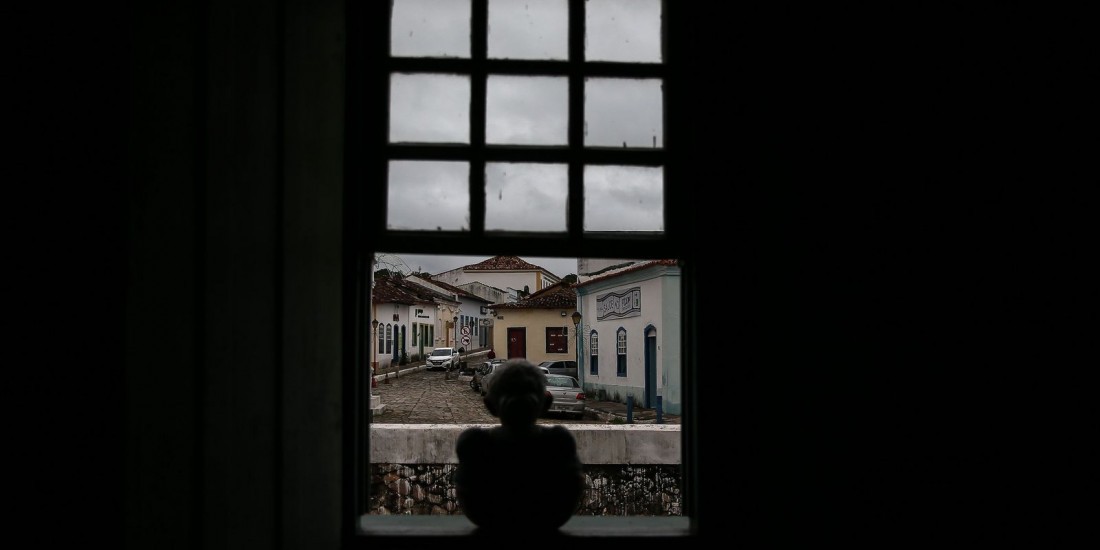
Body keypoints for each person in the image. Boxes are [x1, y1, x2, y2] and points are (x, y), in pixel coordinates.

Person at [454, 359, 585, 533]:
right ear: (546, 404)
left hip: (491, 521)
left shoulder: (477, 444)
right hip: (546, 521)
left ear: (490, 406)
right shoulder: (558, 443)